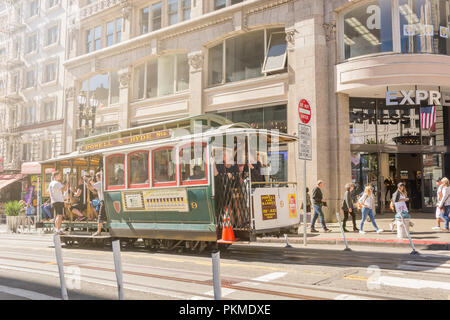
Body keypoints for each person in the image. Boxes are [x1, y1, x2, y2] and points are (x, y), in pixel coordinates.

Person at [84, 172, 105, 237]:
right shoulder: (101, 183)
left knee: (100, 216)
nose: (96, 178)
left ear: (98, 177)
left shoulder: (100, 183)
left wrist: (87, 182)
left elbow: (92, 187)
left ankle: (98, 231)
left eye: (96, 177)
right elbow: (93, 189)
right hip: (103, 201)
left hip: (103, 201)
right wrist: (89, 182)